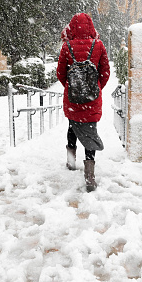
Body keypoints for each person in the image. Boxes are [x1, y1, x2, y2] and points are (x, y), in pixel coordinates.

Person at [57, 13, 110, 192]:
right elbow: (105, 72)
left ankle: (71, 162)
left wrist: (72, 87)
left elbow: (60, 73)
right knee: (90, 133)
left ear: (72, 27)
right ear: (90, 27)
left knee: (72, 127)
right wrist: (94, 88)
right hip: (92, 100)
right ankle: (89, 175)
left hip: (72, 99)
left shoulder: (67, 47)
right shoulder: (98, 45)